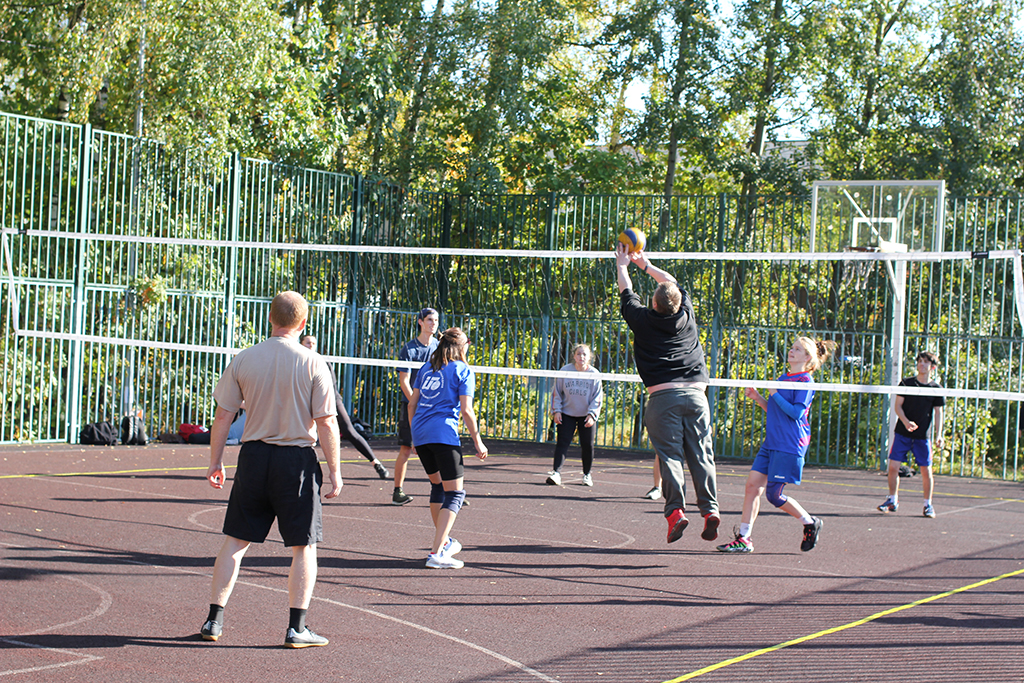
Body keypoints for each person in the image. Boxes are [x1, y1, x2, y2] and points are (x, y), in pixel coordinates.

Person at [201, 291, 342, 648]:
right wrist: (335, 470)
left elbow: (223, 415)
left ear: (270, 318)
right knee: (303, 546)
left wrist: (216, 461)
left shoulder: (245, 358)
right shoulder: (313, 362)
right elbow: (327, 422)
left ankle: (214, 620)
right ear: (303, 323)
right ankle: (297, 628)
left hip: (254, 457)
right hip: (295, 461)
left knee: (236, 540)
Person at [615, 242, 721, 544]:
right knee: (702, 454)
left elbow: (626, 291)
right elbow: (670, 282)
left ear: (654, 303)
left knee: (671, 457)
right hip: (697, 397)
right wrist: (645, 264)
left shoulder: (642, 320)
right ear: (677, 301)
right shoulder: (686, 314)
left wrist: (623, 264)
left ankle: (676, 512)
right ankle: (710, 509)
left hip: (663, 398)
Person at [717, 336, 836, 554]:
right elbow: (776, 410)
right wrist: (758, 398)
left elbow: (796, 413)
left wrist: (775, 393)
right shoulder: (783, 378)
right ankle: (744, 538)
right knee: (752, 487)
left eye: (797, 349)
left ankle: (810, 522)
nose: (792, 351)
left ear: (807, 357)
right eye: (792, 347)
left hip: (789, 444)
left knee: (773, 495)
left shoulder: (805, 381)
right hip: (771, 442)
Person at [408, 327, 487, 569]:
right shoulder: (463, 370)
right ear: (462, 346)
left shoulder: (426, 368)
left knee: (438, 486)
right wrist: (478, 441)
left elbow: (412, 404)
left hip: (421, 432)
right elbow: (466, 410)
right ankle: (436, 553)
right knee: (455, 493)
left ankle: (443, 543)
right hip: (443, 433)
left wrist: (414, 436)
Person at [299, 334, 390, 481]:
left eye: (313, 343)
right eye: (308, 343)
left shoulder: (322, 363)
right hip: (306, 401)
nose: (311, 346)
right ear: (301, 344)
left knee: (348, 430)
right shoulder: (297, 363)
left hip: (330, 399)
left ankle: (376, 463)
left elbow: (331, 388)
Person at [877, 351, 945, 518]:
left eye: (926, 362)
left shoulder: (936, 389)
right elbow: (897, 406)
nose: (922, 364)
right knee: (893, 467)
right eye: (920, 361)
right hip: (902, 433)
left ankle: (928, 505)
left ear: (932, 367)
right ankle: (892, 500)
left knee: (926, 471)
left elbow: (938, 413)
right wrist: (906, 422)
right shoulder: (906, 383)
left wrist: (939, 435)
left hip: (922, 436)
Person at [395, 308, 440, 505]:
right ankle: (397, 491)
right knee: (406, 449)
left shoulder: (439, 347)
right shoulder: (409, 349)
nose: (433, 323)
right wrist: (416, 401)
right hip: (412, 406)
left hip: (433, 408)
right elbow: (404, 381)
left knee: (440, 448)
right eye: (429, 320)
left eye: (436, 320)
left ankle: (448, 489)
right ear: (421, 322)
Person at [545, 343, 603, 487]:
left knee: (587, 445)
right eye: (578, 354)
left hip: (586, 415)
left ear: (589, 357)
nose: (581, 357)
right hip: (567, 413)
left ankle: (587, 474)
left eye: (584, 354)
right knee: (562, 442)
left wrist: (592, 415)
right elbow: (557, 392)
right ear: (574, 356)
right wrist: (557, 411)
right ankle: (556, 473)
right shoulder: (565, 371)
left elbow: (597, 397)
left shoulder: (594, 374)